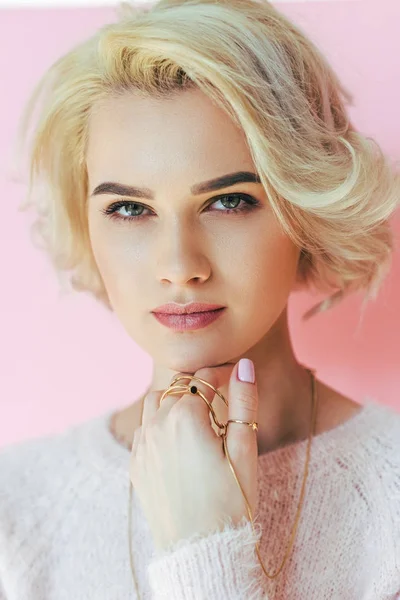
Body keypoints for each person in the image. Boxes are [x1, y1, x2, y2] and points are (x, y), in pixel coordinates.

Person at [1, 0, 400, 598]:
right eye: (130, 209)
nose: (179, 267)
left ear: (304, 206)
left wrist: (205, 553)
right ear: (89, 226)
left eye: (229, 201)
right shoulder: (17, 506)